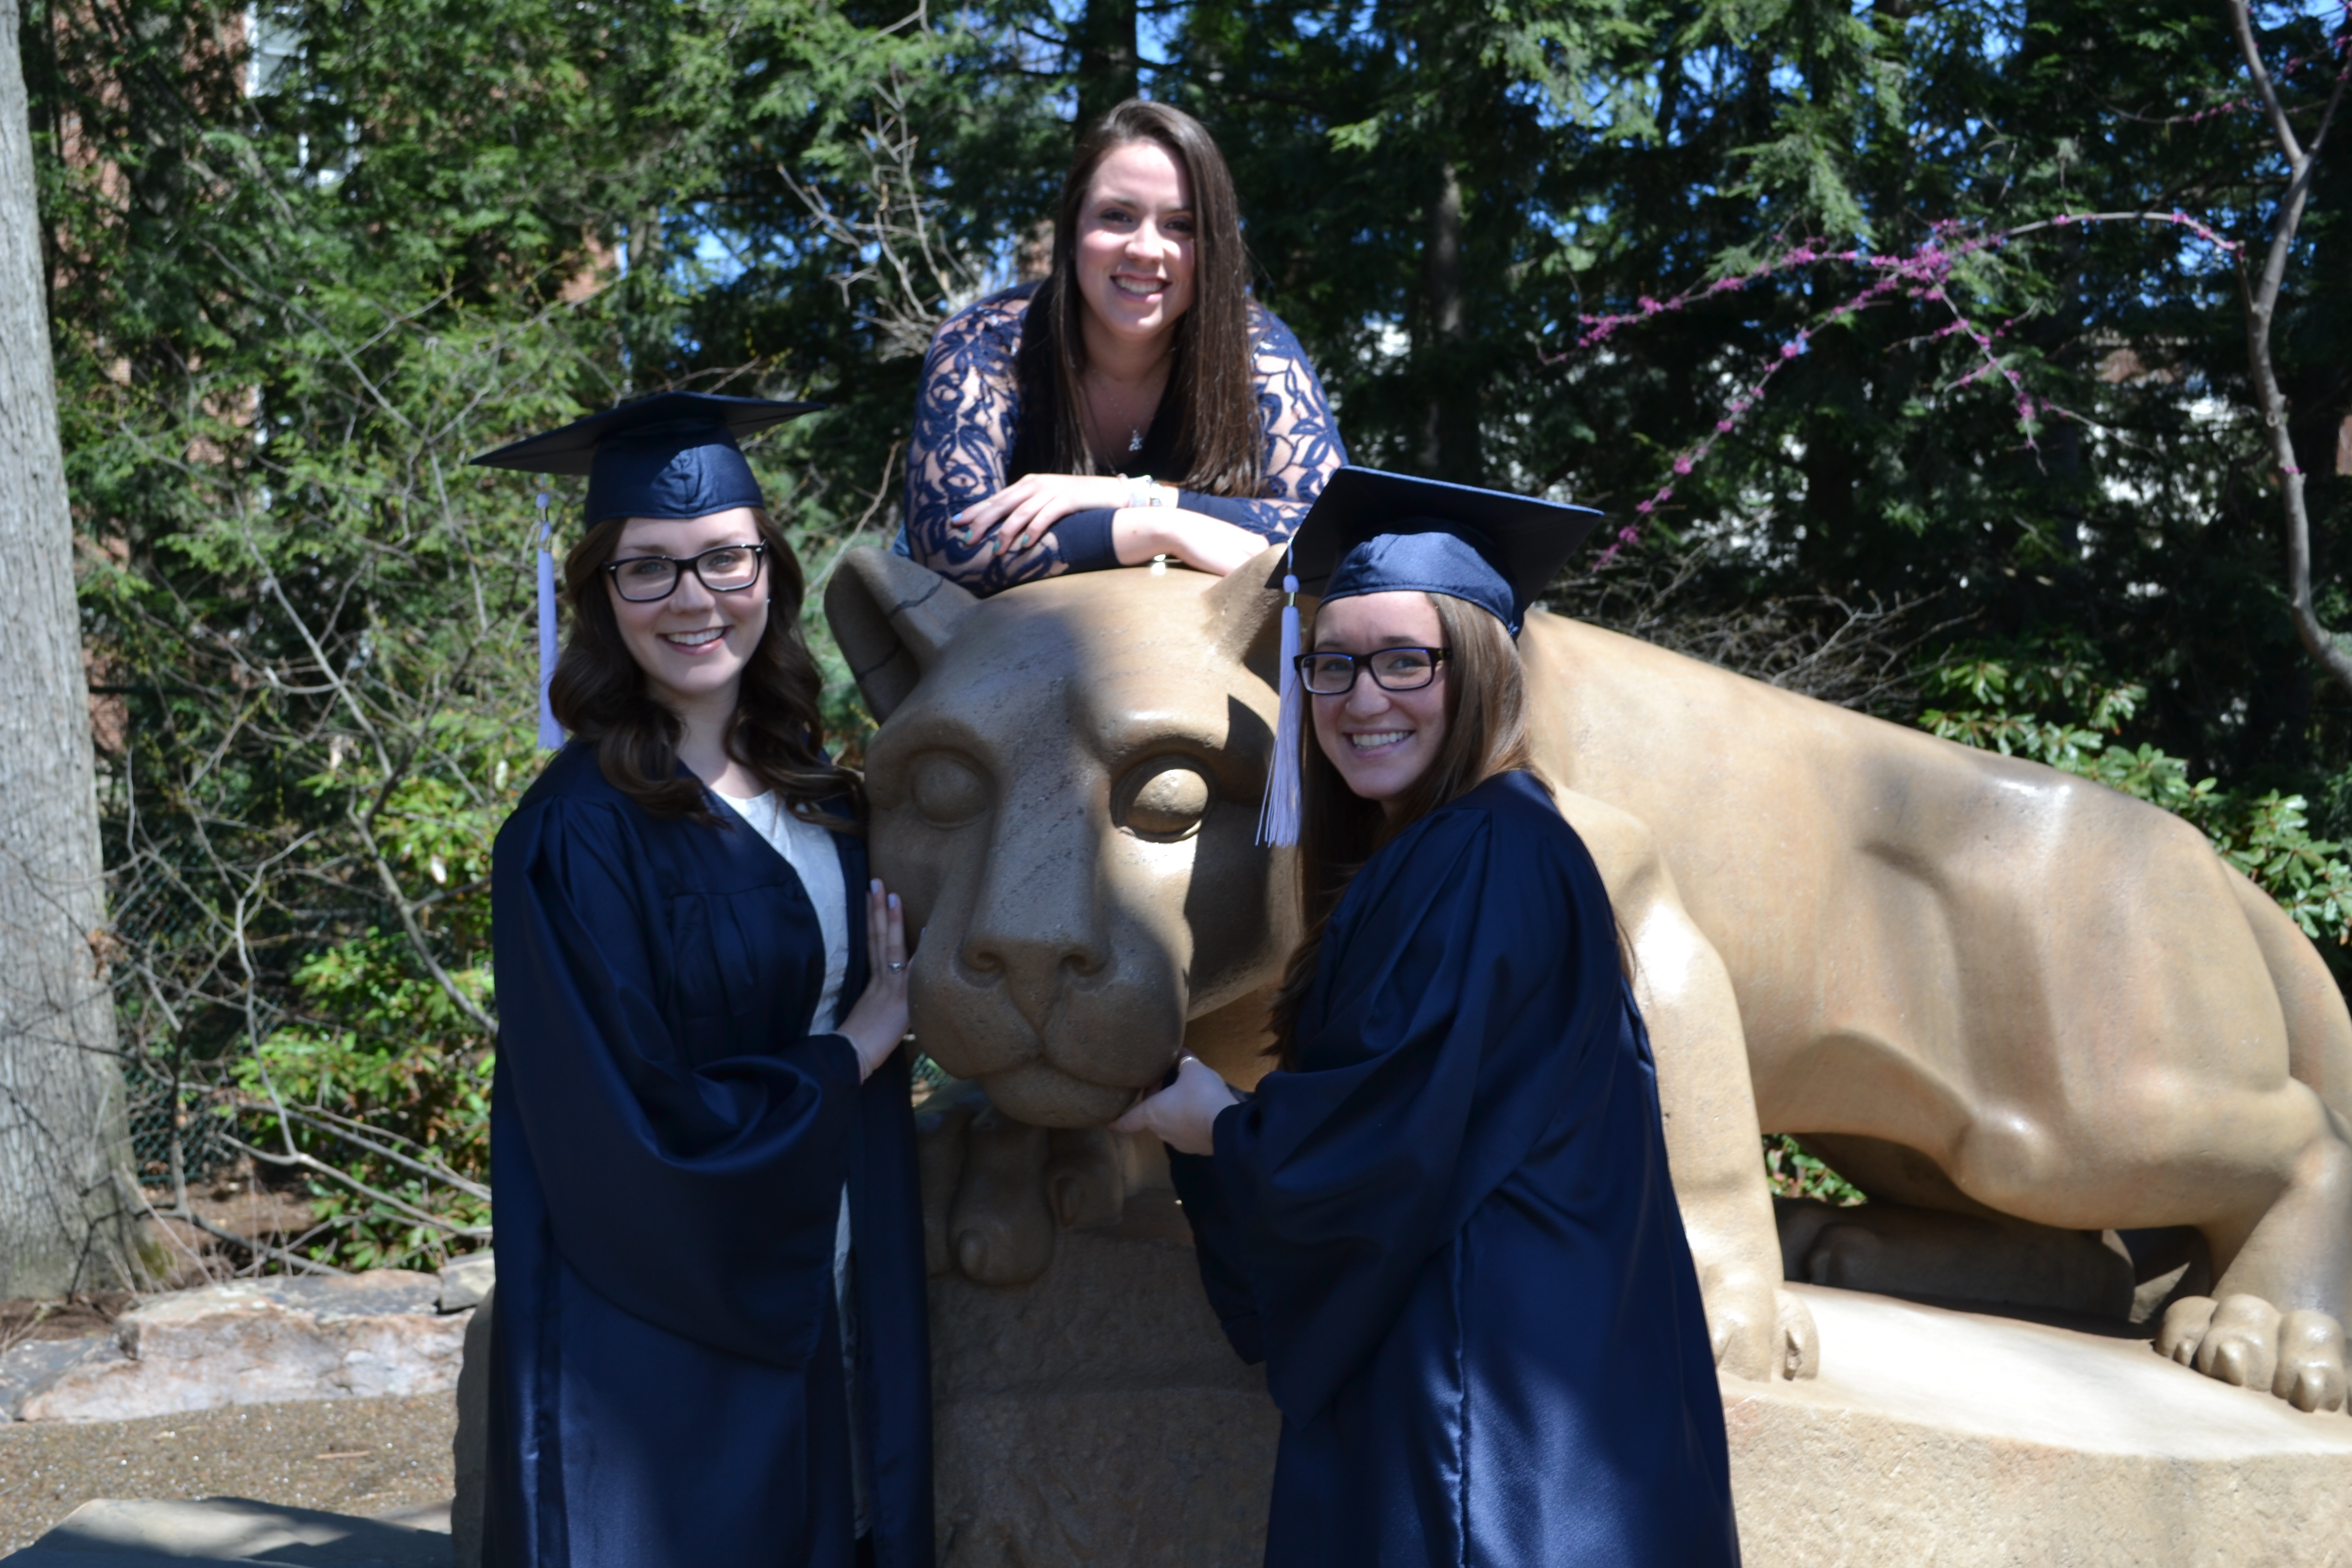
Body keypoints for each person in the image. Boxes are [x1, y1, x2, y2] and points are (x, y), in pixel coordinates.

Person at [1114, 468, 1741, 1567]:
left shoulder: (1486, 851)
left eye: (1408, 662)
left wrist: (1216, 1127)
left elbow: (1390, 1131)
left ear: (1482, 668)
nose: (1363, 700)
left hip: (1484, 1412)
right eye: (1334, 665)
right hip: (1519, 1379)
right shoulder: (1481, 841)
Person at [470, 393, 932, 1568]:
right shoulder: (573, 835)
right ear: (600, 594)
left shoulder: (827, 800)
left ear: (768, 570)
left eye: (725, 555)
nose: (693, 596)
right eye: (649, 570)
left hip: (827, 1281)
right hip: (658, 1338)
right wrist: (859, 1045)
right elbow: (632, 1127)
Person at [901, 99, 1345, 594]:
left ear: (1214, 244)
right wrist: (1160, 529)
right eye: (1117, 216)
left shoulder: (1255, 346)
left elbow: (1333, 528)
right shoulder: (985, 343)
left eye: (1181, 225)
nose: (1145, 249)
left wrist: (1133, 497)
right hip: (1004, 651)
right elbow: (951, 545)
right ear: (1072, 229)